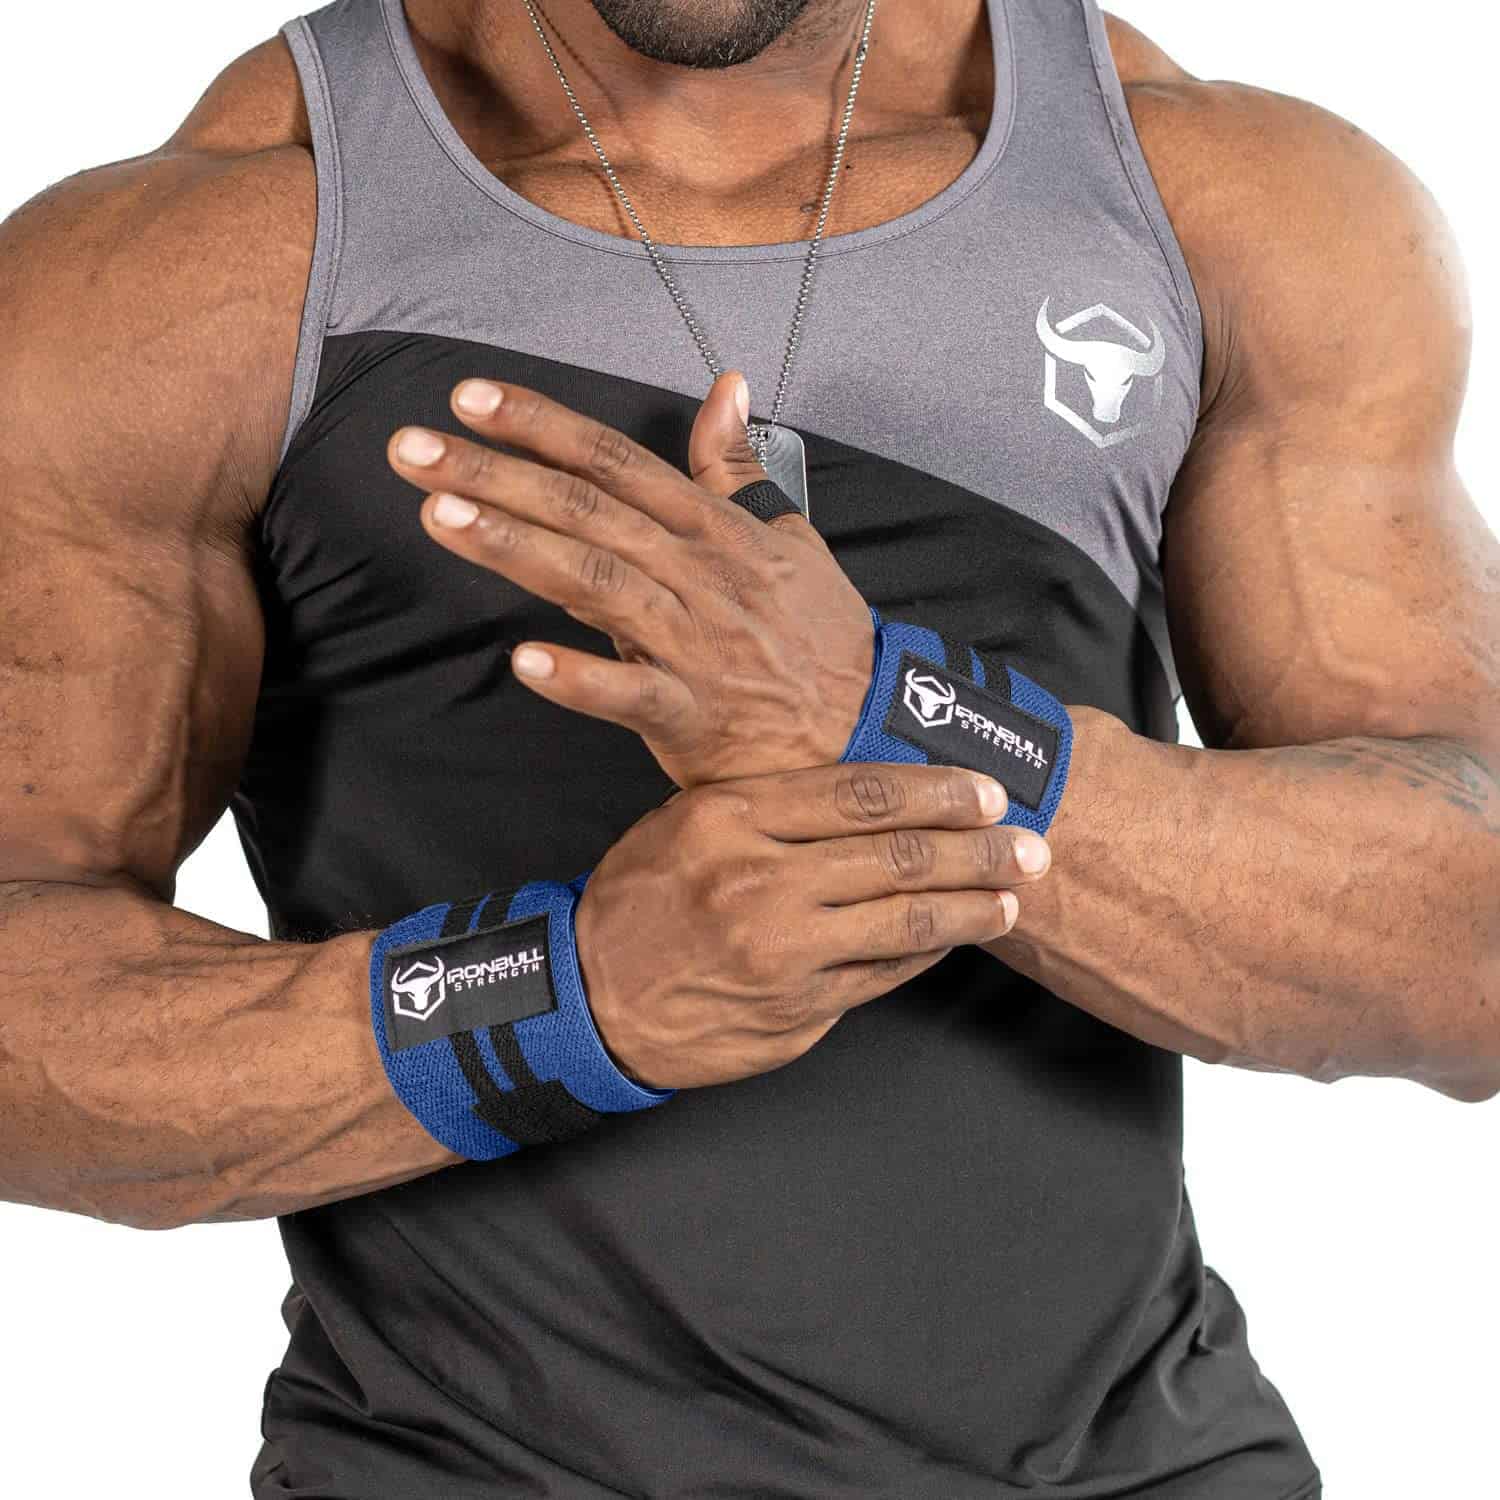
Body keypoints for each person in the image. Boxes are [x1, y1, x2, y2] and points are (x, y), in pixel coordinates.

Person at [1, 0, 1495, 1493]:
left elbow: (1468, 946)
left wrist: (879, 707)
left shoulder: (1222, 205)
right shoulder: (199, 263)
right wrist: (569, 995)